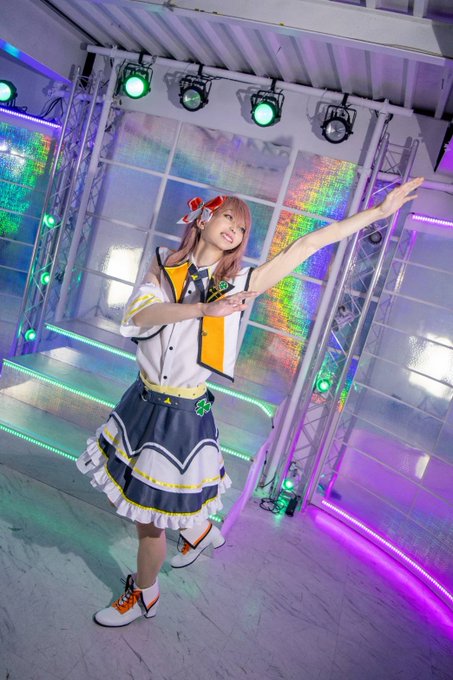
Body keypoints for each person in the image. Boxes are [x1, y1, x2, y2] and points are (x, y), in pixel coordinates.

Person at [76, 178, 423, 627]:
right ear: (203, 219)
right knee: (133, 497)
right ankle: (199, 531)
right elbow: (140, 315)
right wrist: (203, 310)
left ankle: (146, 595)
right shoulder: (164, 264)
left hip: (181, 414)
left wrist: (377, 214)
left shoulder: (240, 282)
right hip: (141, 402)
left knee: (149, 520)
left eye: (242, 229)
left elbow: (306, 245)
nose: (235, 231)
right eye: (228, 218)